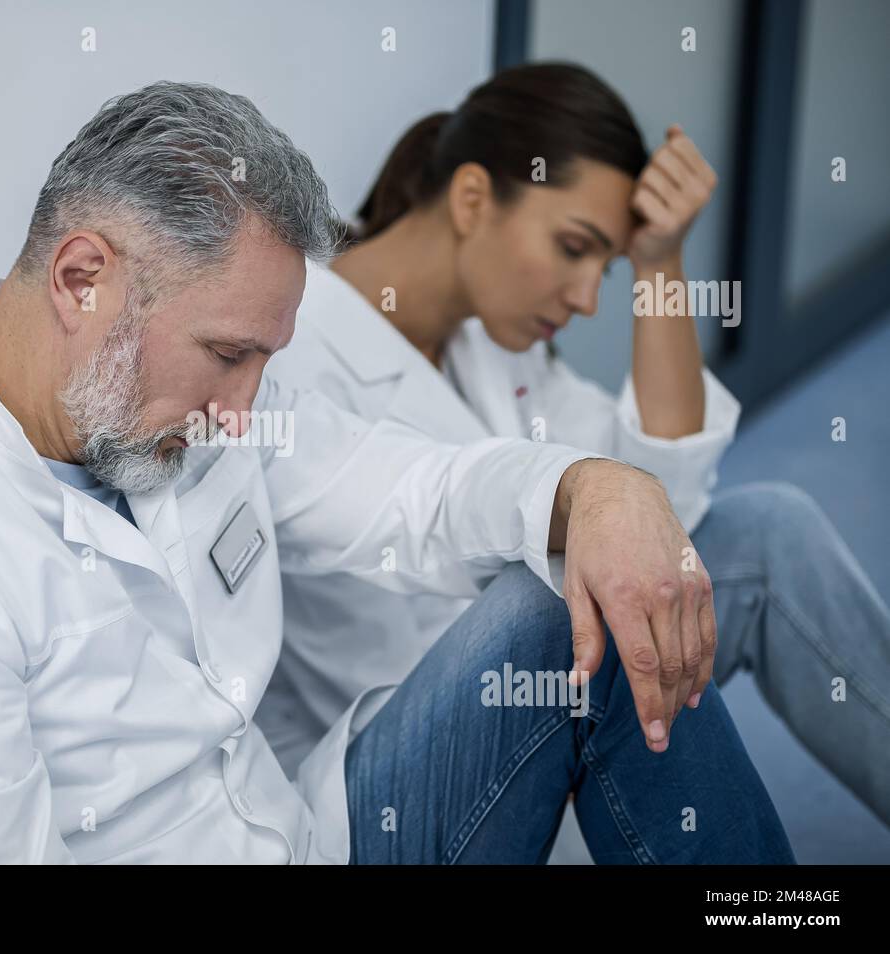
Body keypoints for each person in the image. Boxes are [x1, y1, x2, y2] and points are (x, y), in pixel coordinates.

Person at [0, 80, 794, 864]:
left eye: (263, 360)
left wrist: (592, 488)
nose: (245, 410)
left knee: (572, 597)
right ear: (81, 278)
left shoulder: (170, 406)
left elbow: (411, 492)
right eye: (227, 355)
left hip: (309, 825)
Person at [253, 62, 890, 833]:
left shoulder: (492, 340)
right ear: (472, 198)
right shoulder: (287, 346)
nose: (590, 298)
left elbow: (663, 509)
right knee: (557, 602)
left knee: (765, 529)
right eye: (573, 247)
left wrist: (662, 263)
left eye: (609, 267)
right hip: (398, 765)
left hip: (555, 686)